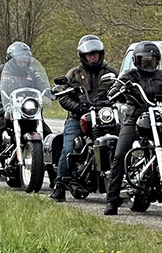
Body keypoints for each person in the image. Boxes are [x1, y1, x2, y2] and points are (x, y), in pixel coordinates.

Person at [104, 41, 162, 215]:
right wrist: (118, 90)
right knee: (120, 154)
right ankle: (112, 200)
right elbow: (113, 90)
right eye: (144, 60)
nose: (148, 63)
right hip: (134, 118)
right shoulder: (129, 76)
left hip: (159, 119)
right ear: (136, 61)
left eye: (152, 60)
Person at [50, 35, 117, 202]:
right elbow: (63, 96)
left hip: (106, 116)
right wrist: (78, 107)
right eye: (90, 54)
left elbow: (121, 90)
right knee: (68, 148)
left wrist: (113, 101)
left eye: (96, 54)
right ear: (83, 56)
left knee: (122, 144)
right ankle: (59, 186)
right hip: (78, 117)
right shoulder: (74, 74)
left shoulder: (111, 73)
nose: (93, 57)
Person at [0, 42, 51, 187]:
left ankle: (56, 179)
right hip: (6, 111)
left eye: (25, 58)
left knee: (49, 138)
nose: (23, 61)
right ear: (11, 58)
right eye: (20, 58)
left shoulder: (32, 72)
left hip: (28, 112)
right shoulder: (1, 70)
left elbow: (42, 84)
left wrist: (48, 90)